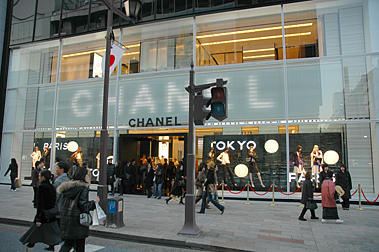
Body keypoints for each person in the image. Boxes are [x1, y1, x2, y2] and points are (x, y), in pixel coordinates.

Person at [57, 166, 100, 252]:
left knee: (68, 243)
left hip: (67, 219)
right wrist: (94, 203)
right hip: (78, 221)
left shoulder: (68, 187)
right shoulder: (83, 188)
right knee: (79, 245)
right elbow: (83, 205)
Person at [20, 170, 62, 251]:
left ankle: (28, 249)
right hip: (50, 214)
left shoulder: (42, 187)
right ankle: (56, 249)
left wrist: (38, 218)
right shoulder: (52, 187)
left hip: (43, 215)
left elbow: (40, 204)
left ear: (43, 177)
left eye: (39, 176)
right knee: (53, 237)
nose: (38, 177)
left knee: (33, 236)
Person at [44, 161, 70, 251]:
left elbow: (56, 196)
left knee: (55, 227)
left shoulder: (59, 181)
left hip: (58, 207)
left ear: (62, 169)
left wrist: (52, 205)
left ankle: (54, 244)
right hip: (65, 207)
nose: (56, 169)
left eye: (57, 168)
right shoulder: (68, 180)